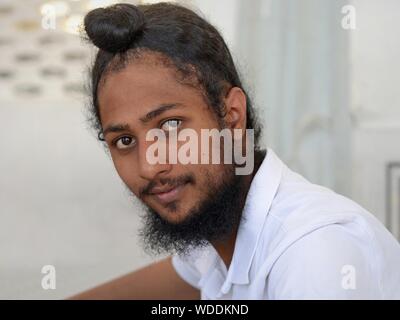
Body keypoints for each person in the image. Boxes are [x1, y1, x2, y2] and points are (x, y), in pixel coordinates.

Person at [70, 2, 400, 300]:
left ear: (232, 115)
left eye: (170, 126)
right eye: (124, 141)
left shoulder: (314, 253)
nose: (149, 166)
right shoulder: (216, 235)